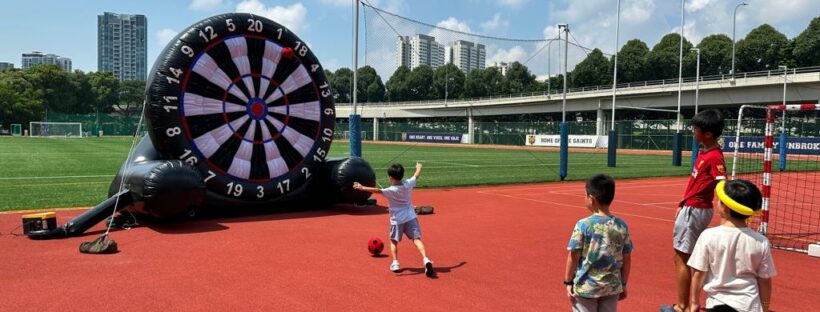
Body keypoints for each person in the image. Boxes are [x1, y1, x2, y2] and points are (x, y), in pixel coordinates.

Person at [688, 179, 776, 312]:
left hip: (716, 305)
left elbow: (698, 273)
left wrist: (694, 302)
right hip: (749, 306)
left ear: (726, 208)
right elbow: (764, 280)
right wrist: (764, 306)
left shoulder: (708, 236)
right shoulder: (761, 241)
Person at [671, 109, 727, 312]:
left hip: (695, 209)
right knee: (685, 256)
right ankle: (687, 303)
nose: (693, 132)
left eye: (696, 129)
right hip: (690, 207)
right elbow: (696, 183)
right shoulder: (705, 153)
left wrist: (726, 211)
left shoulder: (714, 157)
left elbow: (722, 183)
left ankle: (683, 305)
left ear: (708, 133)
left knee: (682, 257)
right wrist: (682, 203)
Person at [353, 162, 435, 277]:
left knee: (393, 241)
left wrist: (361, 187)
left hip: (397, 220)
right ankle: (426, 259)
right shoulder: (408, 184)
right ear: (402, 175)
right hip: (411, 217)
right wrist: (419, 167)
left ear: (391, 177)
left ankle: (396, 263)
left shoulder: (390, 190)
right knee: (416, 239)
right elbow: (416, 175)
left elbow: (377, 190)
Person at [564, 174, 632, 312]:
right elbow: (627, 257)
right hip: (611, 287)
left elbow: (574, 255)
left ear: (591, 199)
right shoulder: (621, 225)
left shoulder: (583, 225)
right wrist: (623, 283)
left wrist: (568, 281)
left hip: (586, 286)